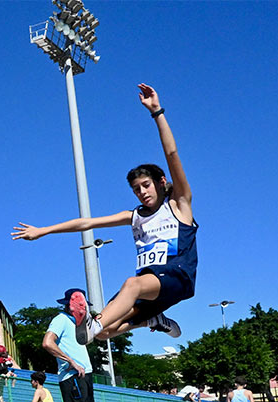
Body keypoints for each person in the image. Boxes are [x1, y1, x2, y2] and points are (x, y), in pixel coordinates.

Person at [13, 84, 195, 346]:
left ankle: (94, 323)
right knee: (104, 332)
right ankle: (152, 321)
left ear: (161, 181)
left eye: (146, 185)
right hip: (150, 287)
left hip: (177, 277)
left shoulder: (178, 204)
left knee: (129, 286)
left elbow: (172, 154)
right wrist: (44, 230)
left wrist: (157, 112)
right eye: (136, 189)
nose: (142, 193)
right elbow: (87, 222)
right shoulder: (134, 216)